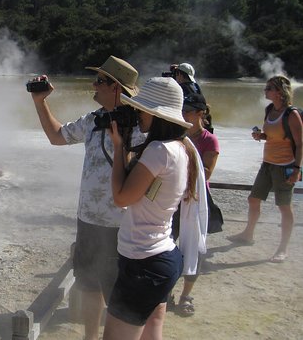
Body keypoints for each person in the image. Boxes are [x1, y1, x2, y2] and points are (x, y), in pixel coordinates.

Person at [29, 55, 145, 340]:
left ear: (116, 88)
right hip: (89, 221)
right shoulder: (95, 120)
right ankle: (90, 336)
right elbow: (57, 136)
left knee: (117, 292)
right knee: (89, 285)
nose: (93, 84)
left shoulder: (142, 127)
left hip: (122, 225)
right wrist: (39, 101)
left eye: (100, 81)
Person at [103, 77, 207, 340]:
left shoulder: (159, 150)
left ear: (156, 115)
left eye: (142, 110)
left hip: (143, 263)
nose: (138, 115)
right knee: (152, 330)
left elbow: (122, 197)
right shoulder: (182, 147)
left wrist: (118, 148)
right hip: (163, 256)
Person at [228, 75, 302, 263]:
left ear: (279, 92)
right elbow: (273, 136)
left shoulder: (291, 114)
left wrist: (296, 169)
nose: (265, 91)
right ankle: (248, 234)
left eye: (269, 88)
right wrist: (260, 136)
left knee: (284, 207)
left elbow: (300, 144)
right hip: (267, 164)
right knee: (253, 198)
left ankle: (283, 249)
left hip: (284, 166)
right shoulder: (270, 110)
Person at [170, 92, 221, 316]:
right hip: (173, 197)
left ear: (201, 113)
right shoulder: (175, 134)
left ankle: (185, 295)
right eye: (181, 110)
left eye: (188, 111)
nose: (183, 114)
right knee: (168, 242)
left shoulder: (209, 140)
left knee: (195, 247)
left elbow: (207, 173)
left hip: (196, 198)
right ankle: (166, 290)